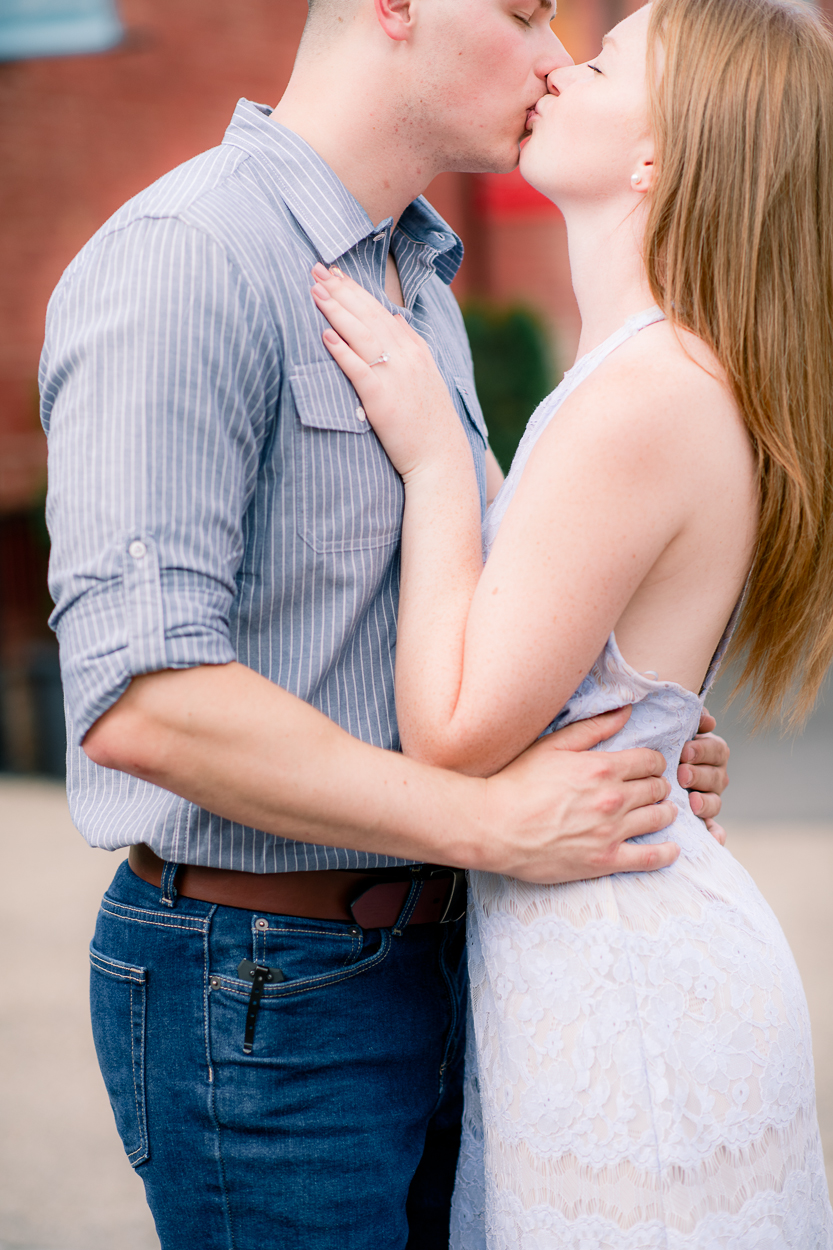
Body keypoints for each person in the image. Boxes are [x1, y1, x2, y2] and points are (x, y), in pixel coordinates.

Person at [39, 0, 731, 1245]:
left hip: (455, 960)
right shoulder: (186, 254)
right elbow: (141, 701)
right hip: (265, 983)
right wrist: (491, 820)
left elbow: (430, 637)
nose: (554, 58)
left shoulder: (417, 283)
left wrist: (628, 738)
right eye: (524, 13)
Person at [310, 0, 833, 1244]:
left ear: (656, 152)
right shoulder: (648, 373)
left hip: (624, 989)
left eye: (598, 64)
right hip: (605, 953)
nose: (555, 66)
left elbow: (449, 728)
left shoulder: (645, 393)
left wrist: (440, 457)